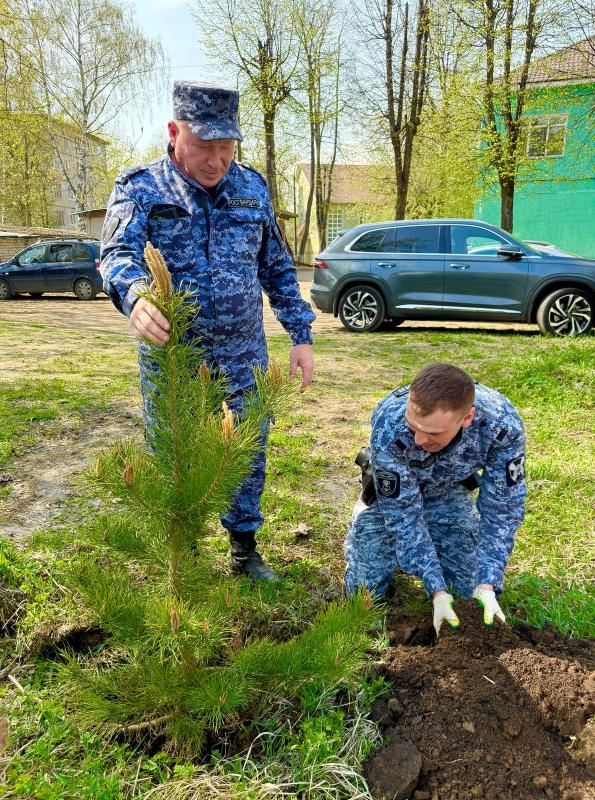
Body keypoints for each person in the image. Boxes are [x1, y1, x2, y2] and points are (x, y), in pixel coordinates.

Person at [100, 81, 315, 582]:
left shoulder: (252, 189)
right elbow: (117, 257)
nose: (217, 161)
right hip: (176, 359)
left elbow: (278, 267)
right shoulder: (140, 189)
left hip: (244, 357)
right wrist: (133, 296)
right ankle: (185, 556)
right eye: (205, 146)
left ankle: (244, 551)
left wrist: (300, 334)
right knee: (176, 453)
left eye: (226, 147)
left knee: (246, 452)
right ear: (174, 133)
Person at [343, 363, 527, 634]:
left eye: (432, 434)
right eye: (414, 426)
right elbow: (402, 514)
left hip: (447, 492)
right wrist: (437, 591)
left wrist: (487, 584)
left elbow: (502, 509)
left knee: (469, 594)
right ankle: (365, 545)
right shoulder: (389, 422)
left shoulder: (501, 425)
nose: (418, 440)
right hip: (391, 500)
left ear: (466, 418)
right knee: (363, 594)